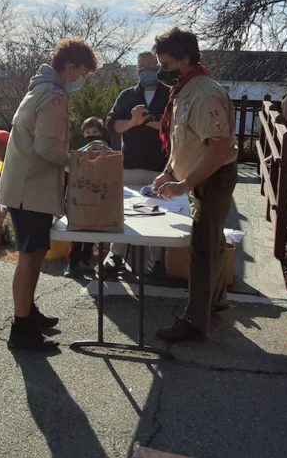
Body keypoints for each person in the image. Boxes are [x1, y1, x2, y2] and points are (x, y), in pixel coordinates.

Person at [0, 38, 98, 351]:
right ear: (69, 67)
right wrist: (76, 163)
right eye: (82, 72)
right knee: (29, 257)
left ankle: (27, 314)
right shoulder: (53, 95)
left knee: (36, 253)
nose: (83, 79)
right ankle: (21, 327)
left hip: (25, 187)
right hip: (31, 190)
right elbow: (45, 147)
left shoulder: (41, 87)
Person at [151, 27, 238, 342]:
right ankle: (214, 302)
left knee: (202, 248)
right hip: (201, 175)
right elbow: (183, 142)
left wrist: (185, 184)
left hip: (212, 177)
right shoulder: (186, 89)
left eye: (167, 64)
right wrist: (168, 172)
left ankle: (195, 322)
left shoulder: (204, 94)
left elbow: (218, 148)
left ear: (185, 59)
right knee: (211, 243)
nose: (162, 71)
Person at [102, 51, 170, 279]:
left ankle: (158, 262)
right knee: (124, 213)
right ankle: (116, 256)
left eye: (152, 65)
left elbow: (177, 128)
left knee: (158, 215)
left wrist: (154, 123)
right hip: (129, 165)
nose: (147, 70)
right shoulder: (127, 95)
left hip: (158, 167)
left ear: (159, 67)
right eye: (143, 67)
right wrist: (133, 122)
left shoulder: (170, 95)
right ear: (137, 69)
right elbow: (112, 126)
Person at [63, 116, 107, 278]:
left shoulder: (107, 151)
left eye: (94, 132)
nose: (91, 135)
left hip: (99, 196)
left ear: (100, 133)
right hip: (80, 197)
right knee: (77, 230)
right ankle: (73, 262)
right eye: (88, 132)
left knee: (91, 230)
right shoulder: (79, 152)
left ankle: (86, 260)